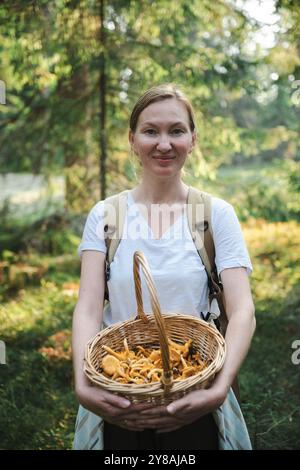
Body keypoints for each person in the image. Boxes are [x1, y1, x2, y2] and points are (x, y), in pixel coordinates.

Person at [72, 83, 256, 450]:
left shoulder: (215, 215)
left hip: (196, 391)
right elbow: (89, 307)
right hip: (120, 393)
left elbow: (243, 311)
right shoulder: (107, 215)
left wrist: (219, 389)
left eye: (176, 130)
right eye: (150, 131)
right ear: (132, 139)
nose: (164, 144)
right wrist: (82, 383)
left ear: (193, 139)